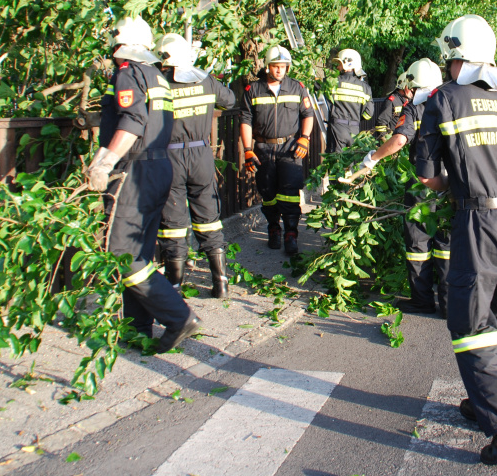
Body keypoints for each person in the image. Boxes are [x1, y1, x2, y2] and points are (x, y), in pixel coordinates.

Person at [417, 14, 497, 465]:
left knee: (468, 323)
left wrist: (449, 184)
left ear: (454, 57)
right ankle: (483, 399)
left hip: (479, 221)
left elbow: (426, 173)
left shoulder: (444, 98)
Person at [86, 16, 200, 353]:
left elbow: (133, 122)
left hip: (134, 170)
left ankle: (178, 317)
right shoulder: (156, 76)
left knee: (121, 252)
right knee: (139, 253)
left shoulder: (128, 73)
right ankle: (136, 328)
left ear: (121, 45)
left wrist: (105, 162)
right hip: (159, 167)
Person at [358, 59, 449, 316]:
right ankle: (449, 301)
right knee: (446, 241)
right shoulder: (452, 101)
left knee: (419, 240)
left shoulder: (413, 108)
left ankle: (422, 299)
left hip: (423, 183)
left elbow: (399, 140)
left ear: (412, 82)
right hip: (451, 182)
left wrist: (373, 158)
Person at [154, 33, 236, 299]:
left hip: (170, 157)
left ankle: (174, 287)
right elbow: (230, 101)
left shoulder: (159, 83)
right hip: (201, 154)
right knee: (209, 218)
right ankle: (221, 283)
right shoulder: (205, 80)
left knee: (174, 222)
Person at [239, 45, 315, 256]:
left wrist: (305, 139)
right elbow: (245, 120)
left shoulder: (297, 87)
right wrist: (247, 149)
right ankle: (274, 228)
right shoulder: (252, 90)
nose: (280, 70)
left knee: (290, 193)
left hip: (290, 148)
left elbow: (307, 114)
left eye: (283, 66)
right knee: (268, 192)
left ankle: (291, 233)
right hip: (263, 148)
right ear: (268, 67)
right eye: (276, 66)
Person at [326, 49, 373, 152]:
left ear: (347, 64)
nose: (338, 67)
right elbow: (369, 114)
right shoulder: (365, 88)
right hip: (354, 131)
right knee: (350, 163)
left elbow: (317, 86)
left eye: (340, 64)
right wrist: (356, 119)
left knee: (336, 163)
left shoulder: (333, 82)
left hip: (337, 128)